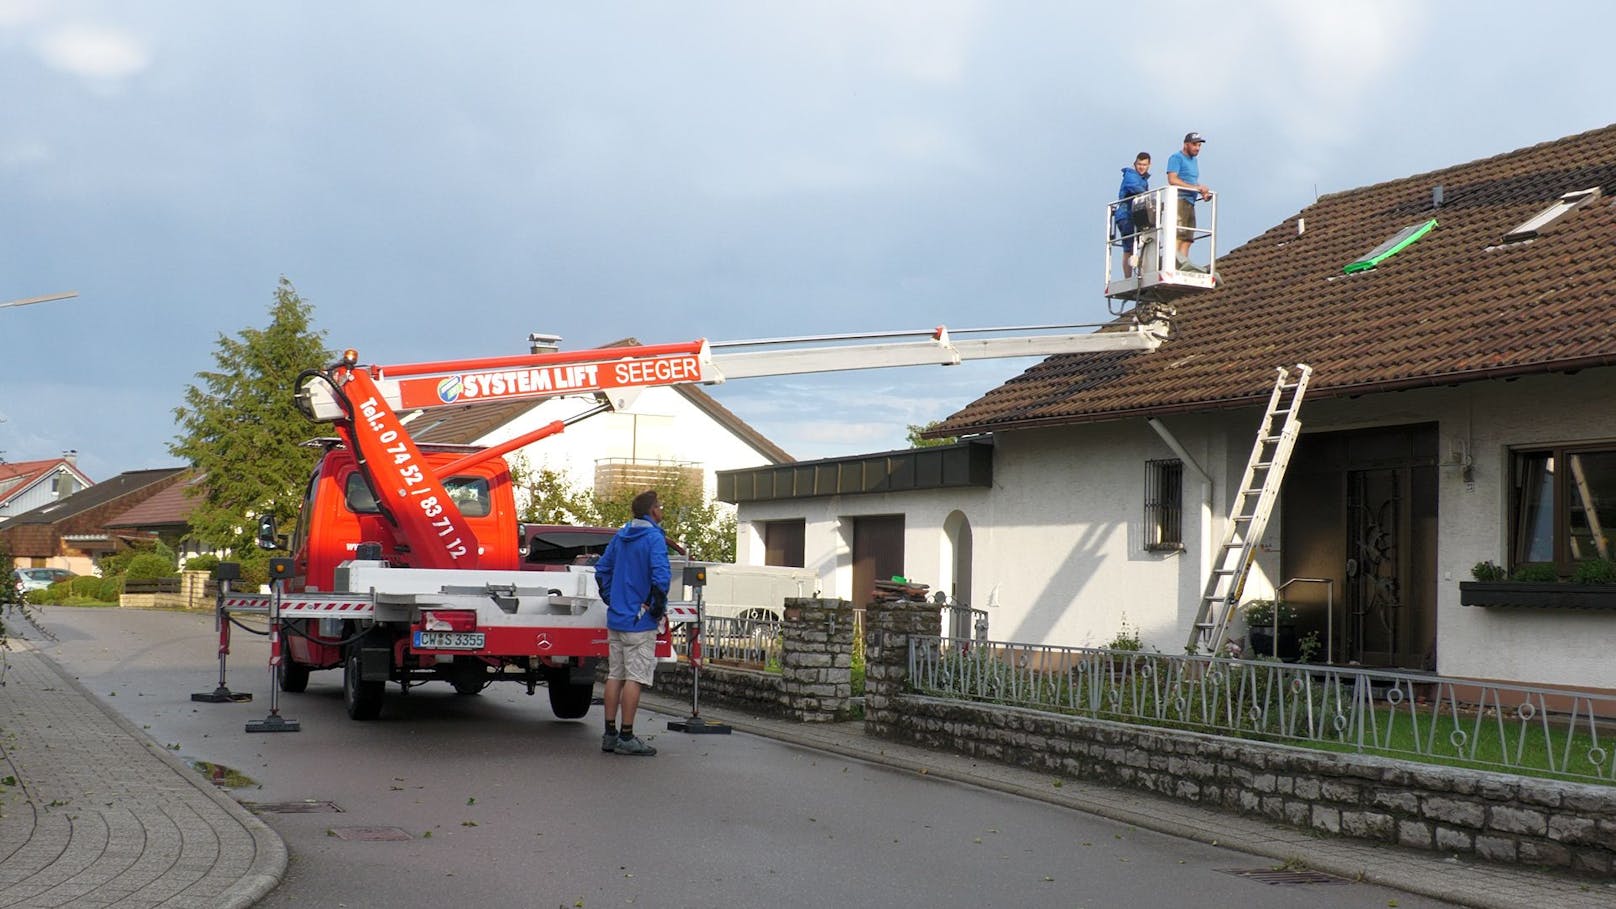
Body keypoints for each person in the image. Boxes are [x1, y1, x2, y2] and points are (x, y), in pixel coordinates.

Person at [593, 489, 671, 756]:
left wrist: (612, 599)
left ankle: (610, 733)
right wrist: (654, 609)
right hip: (639, 622)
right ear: (652, 511)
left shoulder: (621, 535)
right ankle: (627, 736)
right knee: (635, 679)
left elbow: (602, 570)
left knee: (615, 675)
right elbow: (661, 578)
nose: (662, 510)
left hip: (617, 616)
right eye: (660, 506)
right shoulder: (654, 538)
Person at [1166, 131, 1211, 269]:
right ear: (1186, 144)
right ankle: (1172, 264)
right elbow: (1172, 179)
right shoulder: (1176, 158)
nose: (1197, 148)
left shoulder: (1194, 161)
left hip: (1190, 201)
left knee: (1188, 238)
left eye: (1199, 145)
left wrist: (1201, 191)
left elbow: (1191, 181)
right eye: (1194, 144)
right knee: (1178, 235)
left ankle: (1183, 265)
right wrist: (1195, 188)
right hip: (1179, 200)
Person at [1114, 152, 1151, 277]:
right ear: (1135, 164)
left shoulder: (1143, 180)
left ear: (1149, 165)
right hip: (1126, 216)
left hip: (1135, 217)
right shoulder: (1131, 176)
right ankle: (1128, 277)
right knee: (1129, 248)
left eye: (1144, 165)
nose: (1141, 167)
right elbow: (1135, 189)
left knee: (1139, 244)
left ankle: (1138, 272)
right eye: (1139, 164)